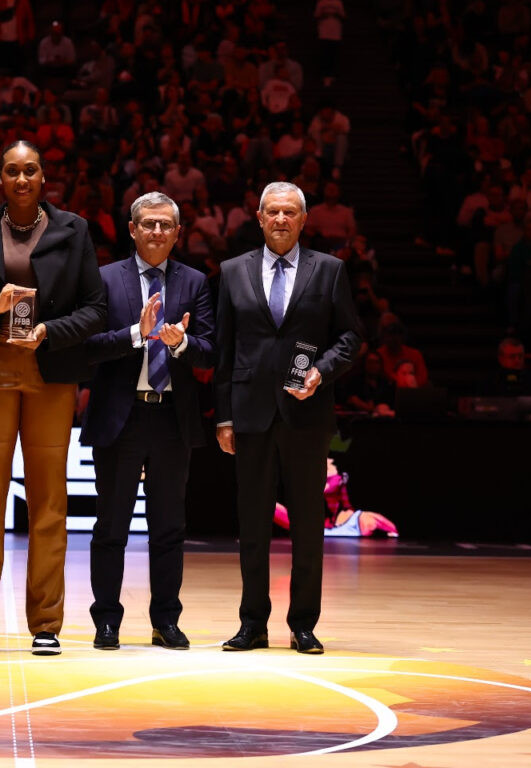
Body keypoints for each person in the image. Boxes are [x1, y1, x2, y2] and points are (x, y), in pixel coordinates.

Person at [0, 140, 106, 655]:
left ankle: (47, 624)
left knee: (50, 501)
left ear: (43, 177)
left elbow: (96, 310)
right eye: (12, 171)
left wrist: (50, 331)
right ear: (1, 181)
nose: (22, 178)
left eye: (31, 169)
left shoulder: (73, 230)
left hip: (51, 374)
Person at [214, 181, 361, 655]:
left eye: (289, 213)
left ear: (303, 220)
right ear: (258, 218)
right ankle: (252, 622)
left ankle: (303, 625)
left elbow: (350, 337)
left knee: (306, 527)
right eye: (272, 212)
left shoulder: (331, 270)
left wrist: (322, 370)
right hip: (251, 414)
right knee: (252, 524)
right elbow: (225, 350)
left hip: (307, 414)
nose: (280, 219)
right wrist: (223, 416)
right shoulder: (232, 271)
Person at [80, 192, 214, 651]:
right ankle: (106, 621)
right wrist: (136, 334)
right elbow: (88, 346)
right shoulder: (103, 279)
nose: (157, 231)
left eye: (166, 225)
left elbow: (211, 351)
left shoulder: (195, 282)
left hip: (172, 417)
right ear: (132, 230)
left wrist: (180, 344)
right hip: (121, 414)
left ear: (178, 233)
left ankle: (166, 621)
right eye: (148, 223)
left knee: (169, 526)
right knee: (111, 525)